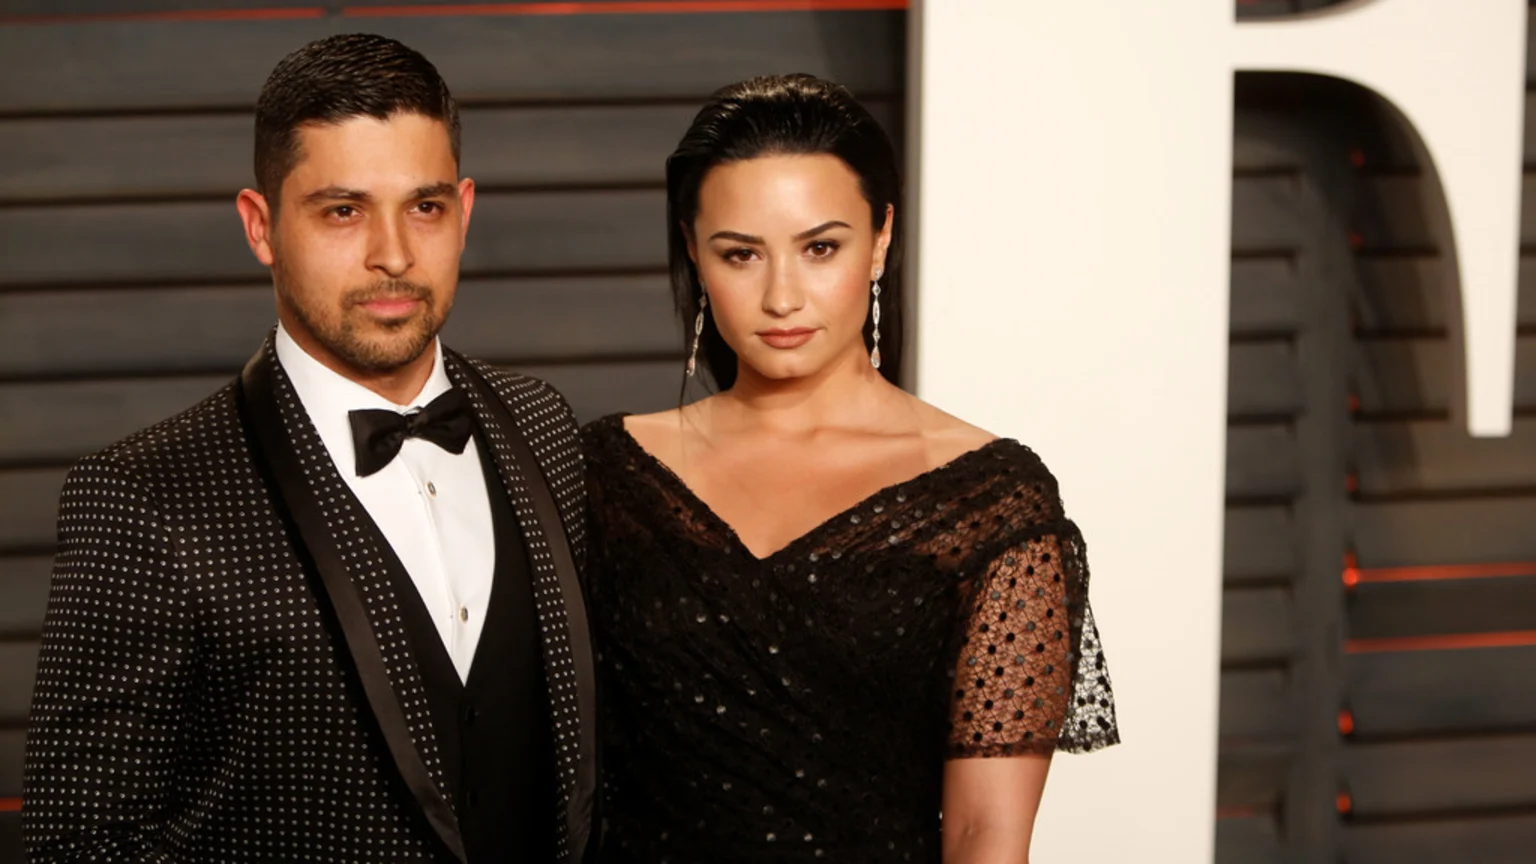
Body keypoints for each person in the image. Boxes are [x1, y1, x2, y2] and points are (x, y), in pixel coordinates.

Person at [23, 34, 596, 863]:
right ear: (261, 227)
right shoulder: (141, 496)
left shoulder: (543, 423)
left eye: (425, 207)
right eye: (343, 210)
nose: (393, 254)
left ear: (464, 212)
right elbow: (82, 843)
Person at [579, 73, 1119, 863]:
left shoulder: (988, 499)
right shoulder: (605, 472)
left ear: (882, 239)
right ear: (694, 253)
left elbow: (985, 836)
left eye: (820, 247)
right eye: (741, 255)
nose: (782, 296)